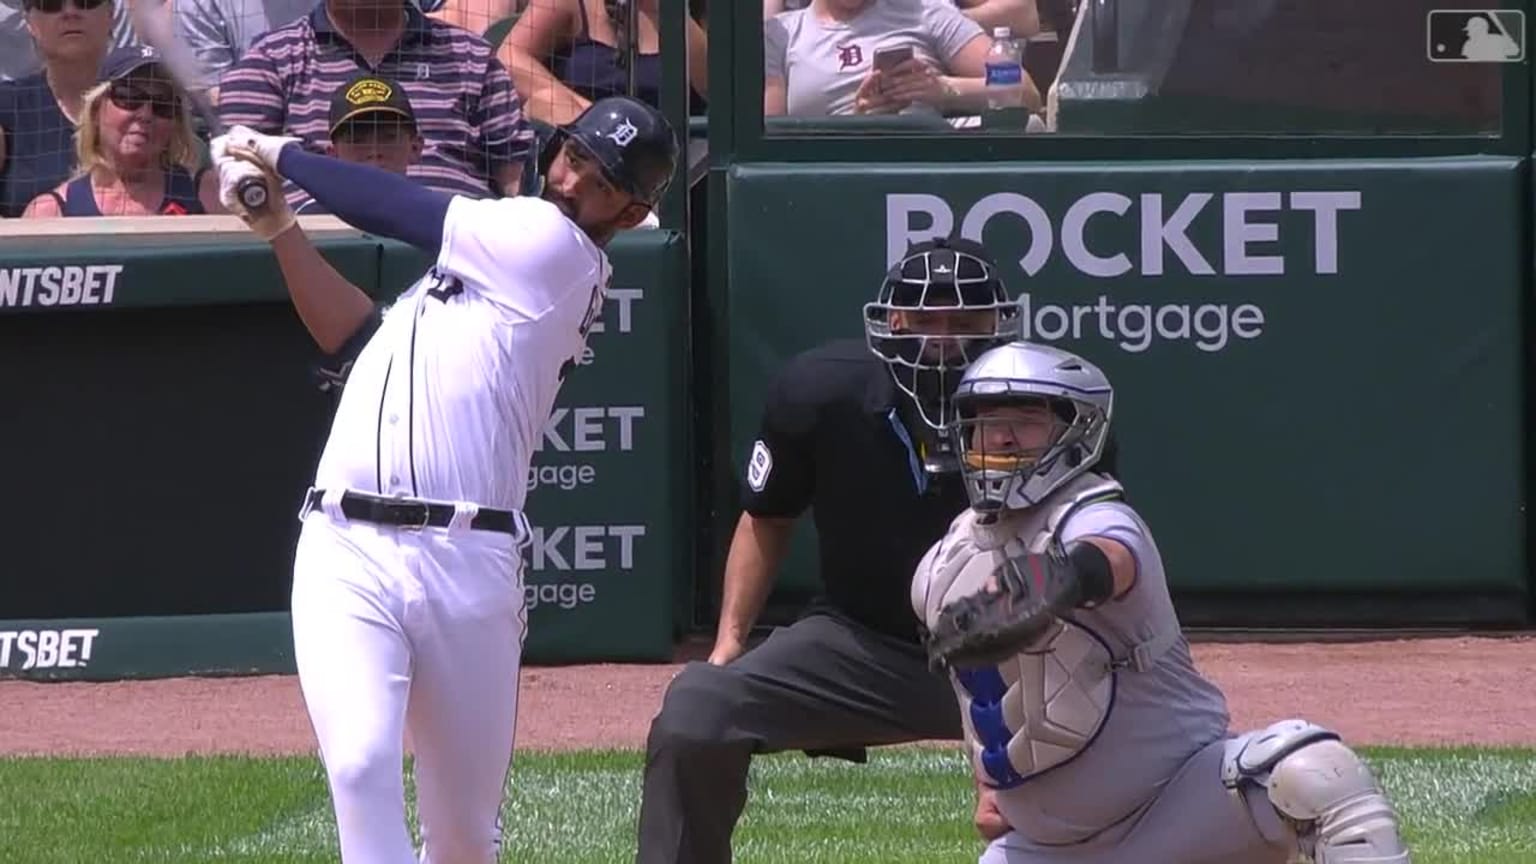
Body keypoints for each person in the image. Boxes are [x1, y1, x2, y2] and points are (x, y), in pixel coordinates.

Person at [208, 94, 678, 864]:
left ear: (627, 215)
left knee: (462, 838)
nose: (569, 180)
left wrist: (282, 153)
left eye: (597, 180)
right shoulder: (481, 269)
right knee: (359, 767)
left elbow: (399, 207)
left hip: (467, 561)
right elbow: (356, 338)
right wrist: (280, 230)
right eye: (572, 156)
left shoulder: (550, 250)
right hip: (343, 547)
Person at [912, 340, 1413, 864]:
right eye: (986, 422)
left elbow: (1107, 558)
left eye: (1026, 418)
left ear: (1076, 431)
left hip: (1180, 811)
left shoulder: (1092, 515)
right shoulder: (942, 567)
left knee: (1314, 774)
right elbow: (982, 701)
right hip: (1048, 849)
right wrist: (989, 788)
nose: (1003, 436)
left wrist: (1050, 579)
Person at [634, 237, 1024, 864]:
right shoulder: (821, 391)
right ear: (892, 323)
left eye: (966, 321)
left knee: (1117, 733)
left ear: (999, 324)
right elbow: (767, 517)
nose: (944, 339)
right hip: (862, 646)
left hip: (1015, 656)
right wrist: (729, 642)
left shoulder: (1044, 402)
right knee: (699, 707)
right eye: (926, 320)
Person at [23, 46, 221, 216]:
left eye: (163, 103)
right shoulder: (51, 211)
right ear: (96, 109)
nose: (145, 114)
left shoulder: (209, 194)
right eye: (129, 96)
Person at [0, 0, 113, 217]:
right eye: (50, 4)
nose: (70, 13)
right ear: (30, 23)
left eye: (85, 2)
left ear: (110, 14)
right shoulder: (7, 105)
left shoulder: (150, 103)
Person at [293, 70, 422, 214]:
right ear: (333, 157)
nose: (374, 152)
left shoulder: (439, 218)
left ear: (415, 148)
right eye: (357, 140)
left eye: (388, 138)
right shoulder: (310, 219)